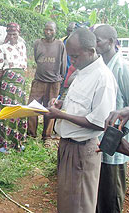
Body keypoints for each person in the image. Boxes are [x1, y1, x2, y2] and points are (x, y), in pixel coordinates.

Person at [43, 28, 117, 213]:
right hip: (68, 146)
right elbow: (79, 106)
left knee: (79, 206)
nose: (72, 61)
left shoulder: (103, 78)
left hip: (83, 150)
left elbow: (99, 122)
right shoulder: (82, 72)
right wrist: (61, 104)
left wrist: (60, 115)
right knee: (68, 203)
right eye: (70, 56)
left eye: (75, 56)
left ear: (91, 51)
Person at [93, 24, 129, 213]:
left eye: (98, 40)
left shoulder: (122, 68)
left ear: (111, 42)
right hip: (99, 141)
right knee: (99, 192)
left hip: (117, 144)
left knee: (112, 194)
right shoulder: (100, 67)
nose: (95, 44)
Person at [27, 21, 67, 145]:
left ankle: (47, 137)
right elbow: (36, 58)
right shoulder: (38, 43)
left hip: (54, 82)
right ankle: (31, 135)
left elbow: (63, 62)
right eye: (46, 29)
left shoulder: (60, 44)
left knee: (50, 109)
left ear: (55, 31)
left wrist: (60, 77)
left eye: (51, 30)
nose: (48, 32)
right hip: (39, 80)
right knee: (32, 107)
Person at [0, 23, 28, 152]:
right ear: (7, 34)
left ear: (19, 33)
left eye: (15, 34)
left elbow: (24, 68)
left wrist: (23, 84)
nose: (12, 36)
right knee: (7, 111)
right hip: (7, 85)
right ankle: (3, 142)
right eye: (10, 34)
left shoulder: (23, 46)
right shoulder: (3, 48)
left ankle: (17, 140)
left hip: (20, 85)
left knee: (19, 111)